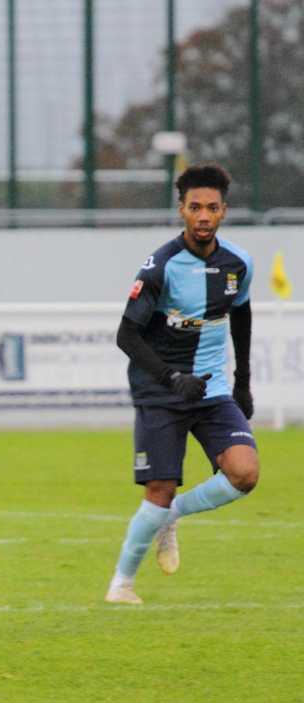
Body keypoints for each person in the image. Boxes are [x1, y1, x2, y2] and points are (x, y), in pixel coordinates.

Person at [106, 163, 258, 604]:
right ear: (182, 211)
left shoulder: (238, 263)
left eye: (212, 207)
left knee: (245, 474)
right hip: (160, 389)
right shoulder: (161, 267)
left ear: (223, 211)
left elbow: (241, 315)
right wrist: (172, 378)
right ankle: (121, 585)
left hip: (210, 389)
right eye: (195, 207)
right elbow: (126, 336)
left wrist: (242, 382)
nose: (203, 216)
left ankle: (171, 516)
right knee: (159, 488)